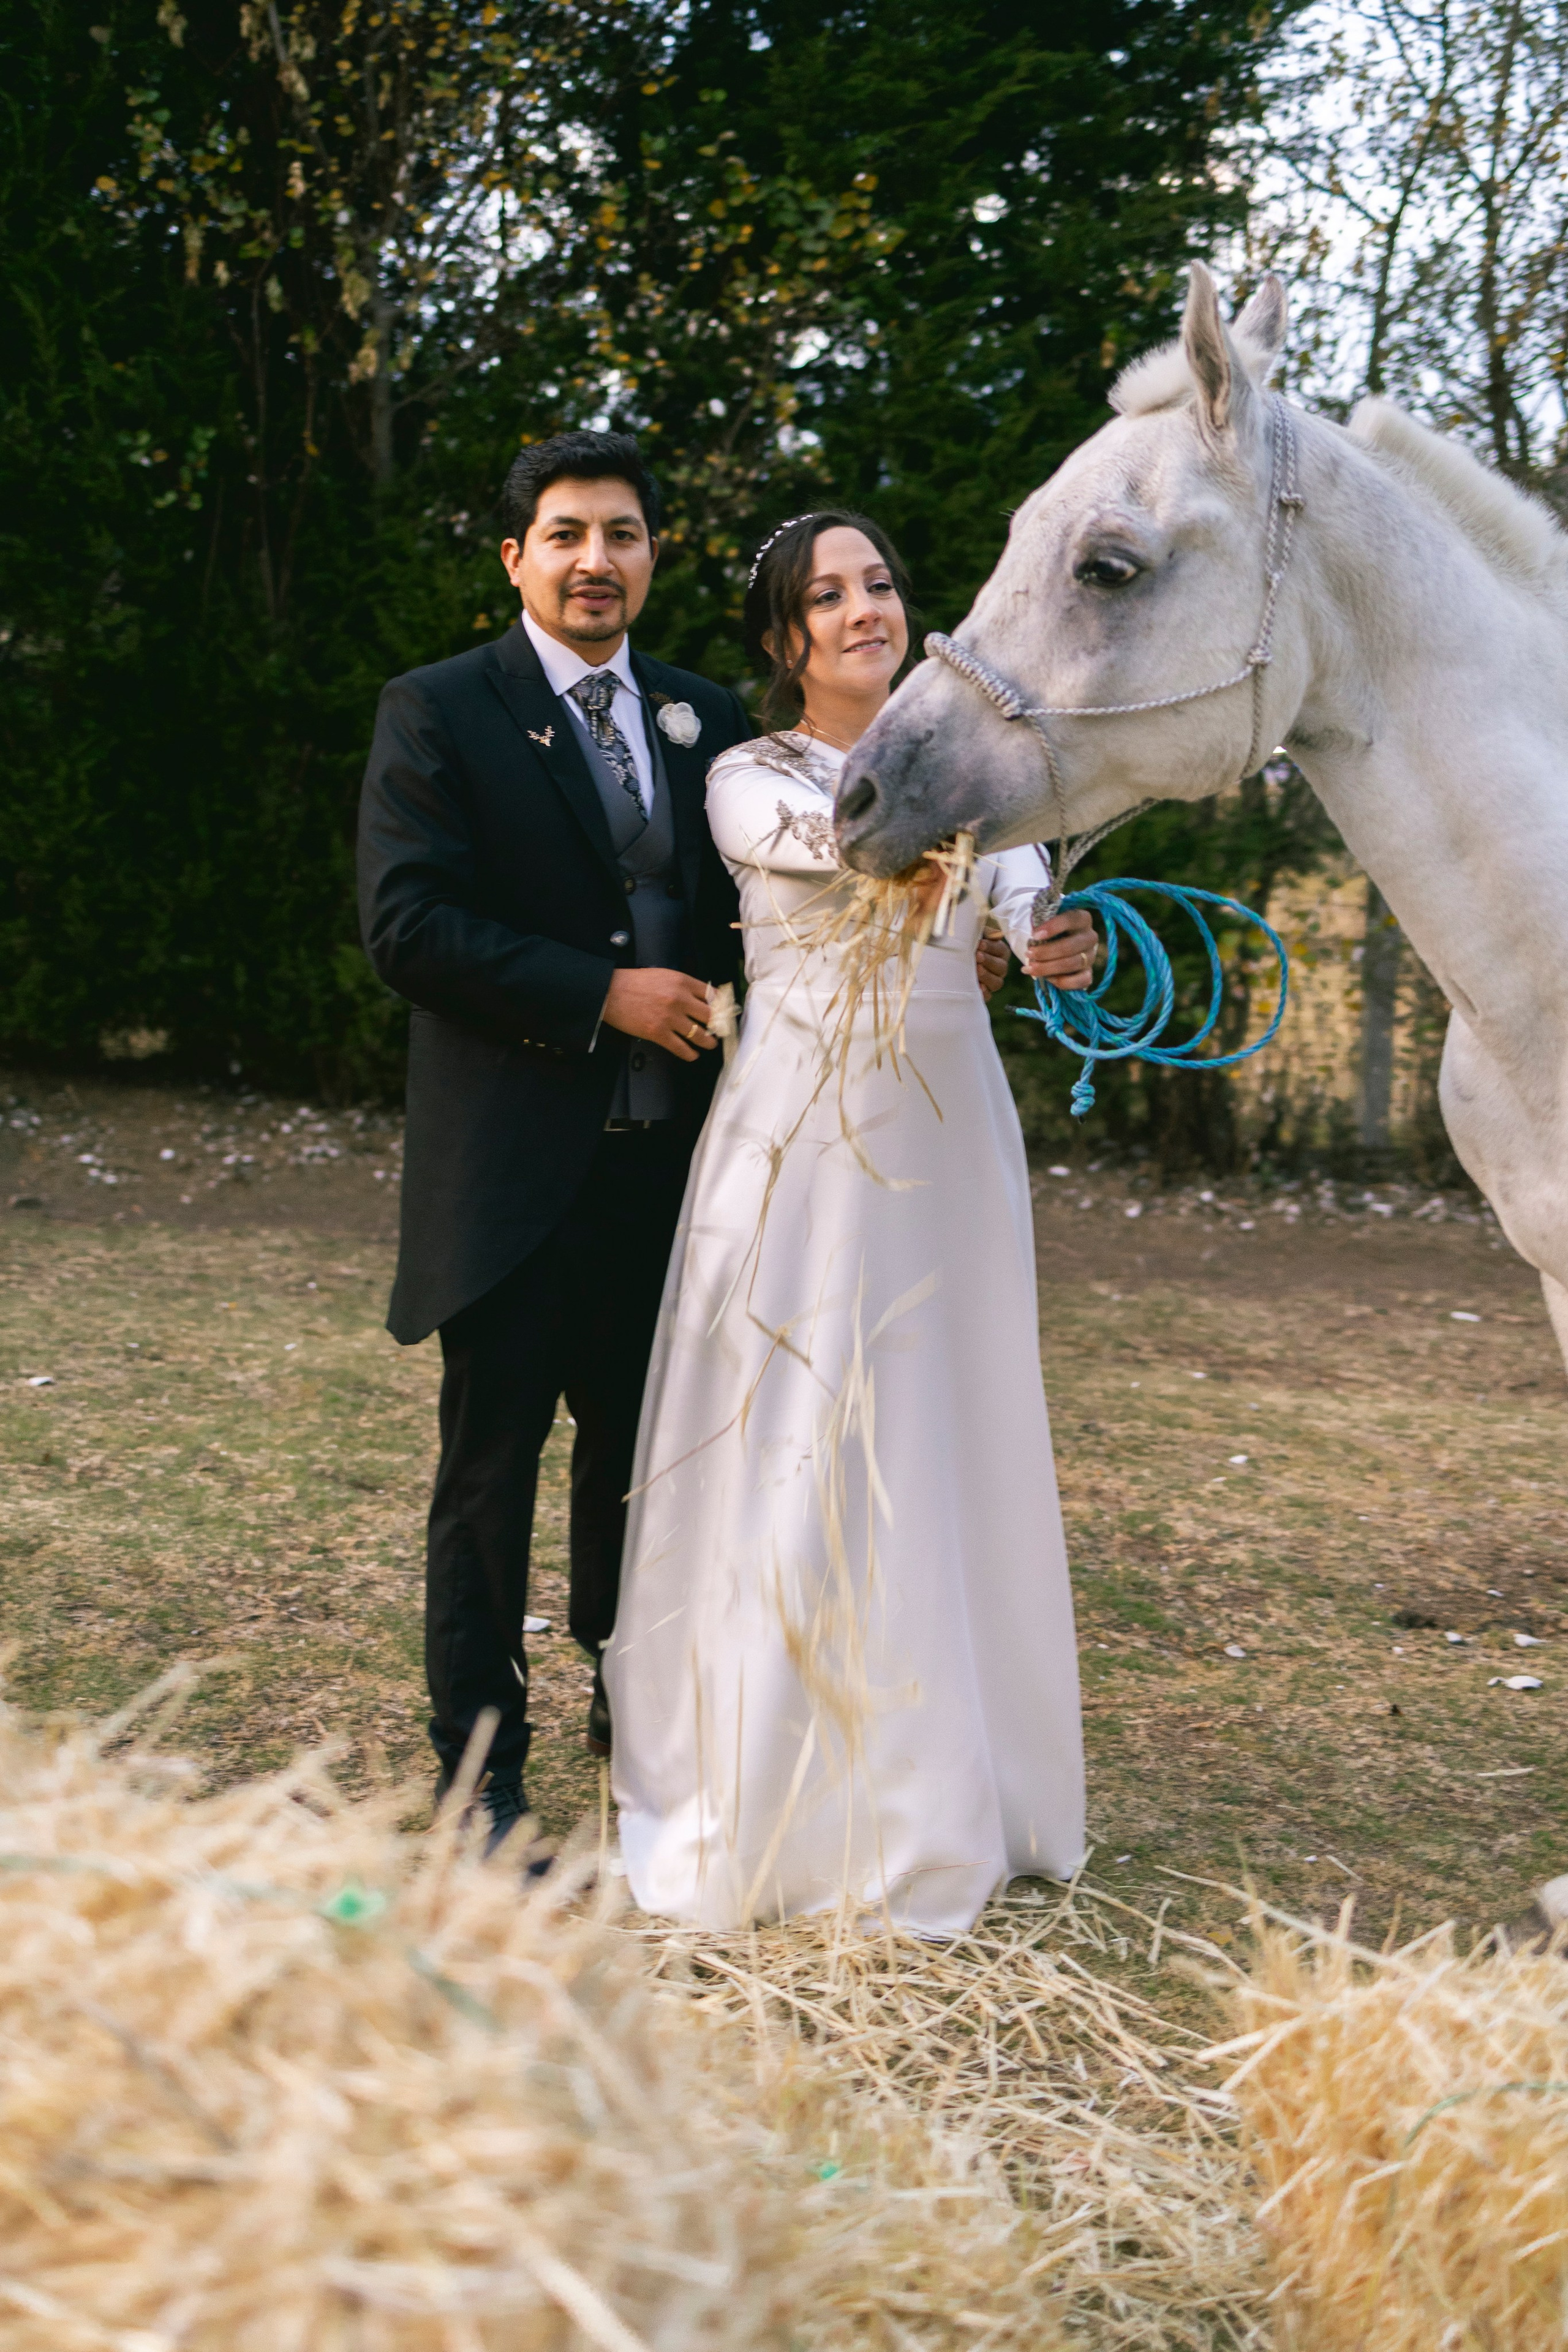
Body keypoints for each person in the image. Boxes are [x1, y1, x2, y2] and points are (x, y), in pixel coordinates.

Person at [605, 510, 1096, 1935]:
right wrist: (1001, 836)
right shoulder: (754, 779)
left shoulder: (981, 779)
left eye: (879, 582)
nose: (864, 608)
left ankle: (958, 1782)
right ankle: (781, 1790)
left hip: (950, 1136)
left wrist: (1049, 936)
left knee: (948, 1422)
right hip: (809, 1138)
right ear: (784, 639)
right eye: (827, 596)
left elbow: (1019, 904)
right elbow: (864, 850)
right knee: (808, 1423)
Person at [356, 430, 755, 1845]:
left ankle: (632, 1706)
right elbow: (408, 928)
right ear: (516, 557)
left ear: (653, 556)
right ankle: (479, 1768)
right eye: (569, 534)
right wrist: (601, 995)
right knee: (490, 1472)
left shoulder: (707, 718)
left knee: (641, 1462)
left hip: (670, 1174)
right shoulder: (441, 710)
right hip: (515, 1175)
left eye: (625, 534)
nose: (598, 560)